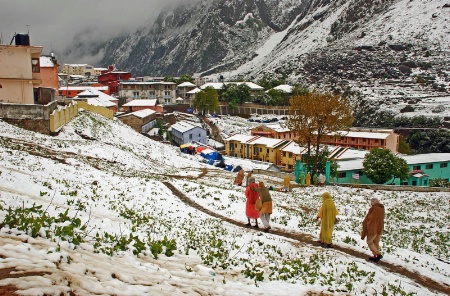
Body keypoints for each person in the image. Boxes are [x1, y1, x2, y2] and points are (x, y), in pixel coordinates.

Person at [361, 198, 385, 262]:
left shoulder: (373, 209)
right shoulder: (382, 209)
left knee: (369, 241)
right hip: (380, 228)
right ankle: (375, 256)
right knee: (376, 242)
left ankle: (378, 254)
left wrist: (364, 232)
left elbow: (368, 219)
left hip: (373, 228)